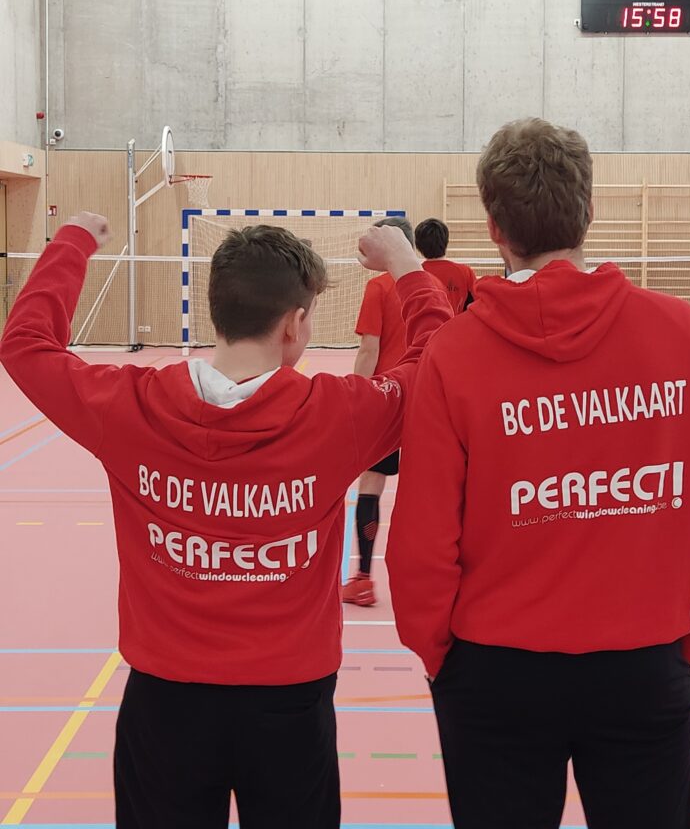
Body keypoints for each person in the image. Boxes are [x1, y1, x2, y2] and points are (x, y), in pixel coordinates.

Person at [0, 213, 451, 829]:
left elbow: (25, 345)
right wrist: (406, 265)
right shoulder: (338, 416)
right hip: (290, 707)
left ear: (217, 311)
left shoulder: (129, 408)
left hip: (164, 705)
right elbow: (438, 362)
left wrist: (72, 241)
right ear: (295, 324)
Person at [386, 118, 690, 829]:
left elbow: (422, 540)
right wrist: (688, 642)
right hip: (644, 663)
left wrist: (444, 659)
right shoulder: (682, 334)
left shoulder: (454, 356)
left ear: (494, 227)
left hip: (494, 672)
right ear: (589, 212)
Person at [342, 216, 422, 607]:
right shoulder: (431, 285)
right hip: (428, 401)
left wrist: (359, 399)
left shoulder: (378, 287)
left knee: (371, 483)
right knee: (433, 493)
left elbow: (369, 349)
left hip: (390, 400)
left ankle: (362, 580)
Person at [414, 217, 476, 314]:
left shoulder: (416, 275)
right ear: (446, 241)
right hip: (456, 328)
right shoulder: (465, 272)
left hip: (425, 329)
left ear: (418, 246)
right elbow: (474, 307)